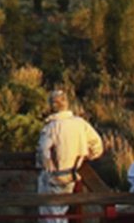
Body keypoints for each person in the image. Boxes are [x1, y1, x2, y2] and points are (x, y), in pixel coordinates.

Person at [36, 89, 104, 223]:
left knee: (52, 214)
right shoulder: (80, 124)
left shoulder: (52, 127)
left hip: (55, 177)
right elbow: (97, 146)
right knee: (61, 210)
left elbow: (43, 149)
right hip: (74, 174)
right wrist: (86, 157)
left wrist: (47, 163)